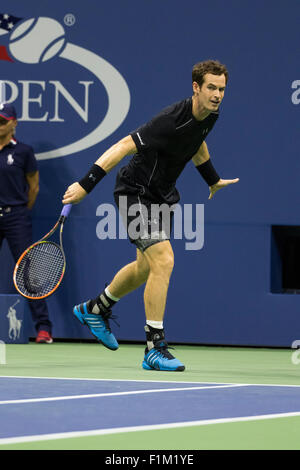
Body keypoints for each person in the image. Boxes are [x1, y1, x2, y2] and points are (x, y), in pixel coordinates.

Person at [63, 60, 239, 371]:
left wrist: (211, 178)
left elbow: (196, 142)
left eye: (222, 89)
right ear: (196, 87)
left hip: (162, 196)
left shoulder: (210, 115)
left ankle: (95, 308)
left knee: (146, 267)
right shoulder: (169, 120)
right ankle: (154, 348)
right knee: (164, 259)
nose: (217, 95)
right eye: (211, 88)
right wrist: (86, 184)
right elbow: (121, 146)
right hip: (135, 193)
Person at [0, 103, 53, 344]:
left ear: (14, 123)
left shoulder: (23, 151)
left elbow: (34, 187)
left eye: (3, 121)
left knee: (27, 272)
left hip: (16, 216)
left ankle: (43, 328)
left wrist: (20, 210)